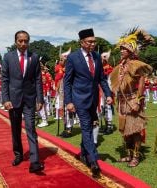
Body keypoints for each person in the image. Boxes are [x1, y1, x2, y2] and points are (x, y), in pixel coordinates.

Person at [63, 28, 113, 178]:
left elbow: (102, 79)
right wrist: (68, 101)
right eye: (90, 41)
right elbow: (67, 82)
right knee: (86, 128)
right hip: (79, 99)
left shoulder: (97, 57)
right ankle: (93, 161)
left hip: (94, 100)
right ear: (82, 42)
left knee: (92, 125)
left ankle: (83, 152)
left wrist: (108, 94)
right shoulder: (73, 58)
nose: (93, 44)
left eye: (94, 41)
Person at [1, 30, 44, 173]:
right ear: (16, 42)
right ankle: (18, 155)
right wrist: (5, 99)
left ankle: (35, 161)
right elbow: (5, 80)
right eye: (21, 41)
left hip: (30, 99)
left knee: (31, 128)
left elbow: (38, 79)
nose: (23, 43)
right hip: (13, 100)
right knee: (15, 129)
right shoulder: (8, 57)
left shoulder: (34, 57)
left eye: (26, 41)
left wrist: (40, 98)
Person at [110, 28, 153, 167]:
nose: (121, 51)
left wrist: (138, 101)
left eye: (124, 49)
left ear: (131, 51)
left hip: (133, 99)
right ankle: (128, 154)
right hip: (122, 101)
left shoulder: (136, 64)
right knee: (125, 130)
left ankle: (136, 156)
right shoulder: (120, 66)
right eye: (121, 49)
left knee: (134, 130)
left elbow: (141, 82)